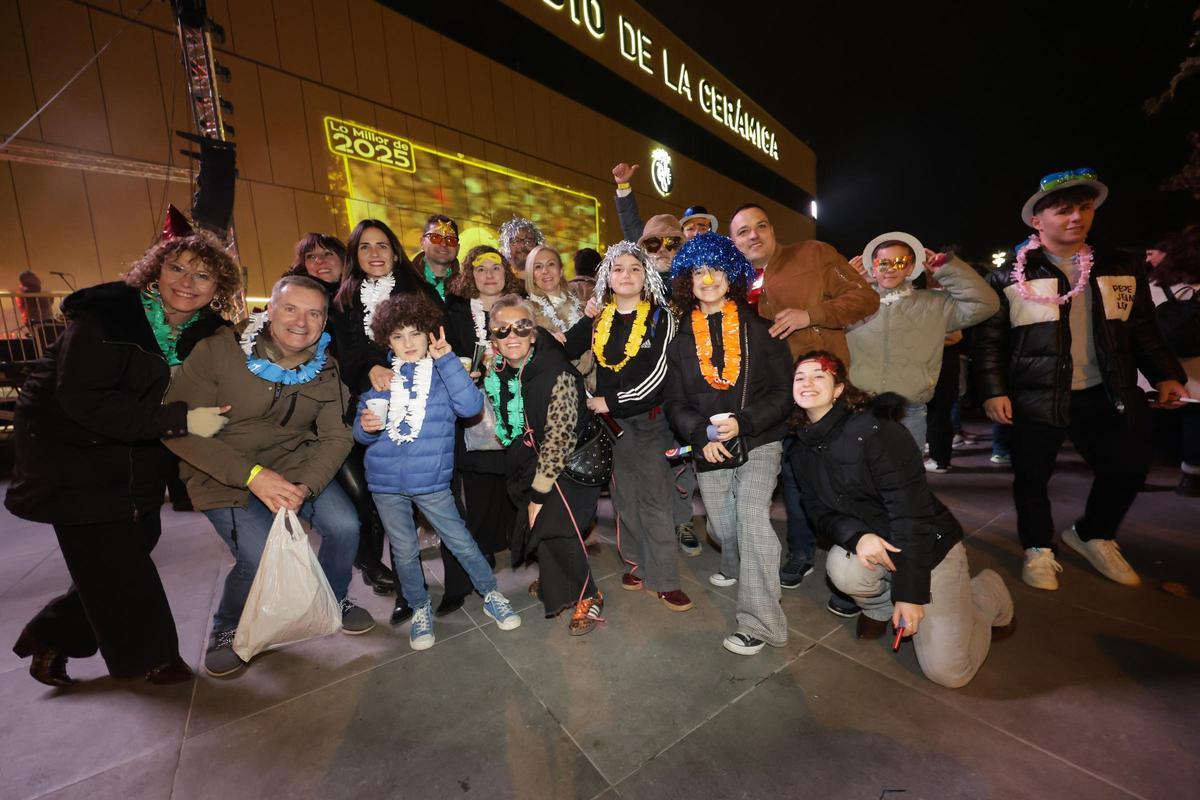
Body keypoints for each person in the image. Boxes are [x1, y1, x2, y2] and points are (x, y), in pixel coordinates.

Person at [7, 229, 241, 686]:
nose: (187, 282)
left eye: (203, 275)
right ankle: (154, 658)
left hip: (135, 453)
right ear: (156, 270)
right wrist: (183, 419)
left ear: (219, 288)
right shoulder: (107, 316)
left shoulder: (205, 333)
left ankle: (48, 634)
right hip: (70, 454)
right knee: (116, 558)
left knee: (129, 546)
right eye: (178, 268)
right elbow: (82, 400)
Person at [974, 169, 1188, 590]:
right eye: (1063, 210)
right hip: (1036, 394)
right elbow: (989, 343)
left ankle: (1093, 533)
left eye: (1084, 208)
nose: (1076, 217)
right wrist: (994, 390)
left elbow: (1142, 328)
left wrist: (1165, 375)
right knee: (1032, 477)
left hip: (1104, 391)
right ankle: (1037, 547)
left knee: (1127, 468)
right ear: (1037, 220)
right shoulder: (1010, 275)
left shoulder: (1119, 265)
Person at [165, 276, 374, 677]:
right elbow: (180, 429)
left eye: (314, 313)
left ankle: (334, 596)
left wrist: (306, 486)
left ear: (325, 320)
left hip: (296, 466)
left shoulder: (326, 369)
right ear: (270, 310)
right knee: (258, 554)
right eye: (291, 308)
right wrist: (253, 476)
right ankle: (228, 626)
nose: (302, 321)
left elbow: (334, 436)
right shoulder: (218, 352)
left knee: (345, 526)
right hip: (223, 471)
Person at [790, 352, 1015, 688]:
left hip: (928, 546)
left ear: (838, 389)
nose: (807, 383)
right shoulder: (800, 446)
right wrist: (857, 537)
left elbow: (911, 516)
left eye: (818, 376)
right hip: (878, 541)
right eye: (799, 377)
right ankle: (880, 608)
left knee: (949, 673)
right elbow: (817, 511)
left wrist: (910, 596)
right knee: (843, 569)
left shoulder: (877, 432)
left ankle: (985, 594)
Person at [729, 202, 879, 599]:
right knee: (795, 480)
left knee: (842, 477)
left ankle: (856, 566)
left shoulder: (812, 254)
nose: (753, 235)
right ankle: (801, 552)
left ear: (772, 230)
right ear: (733, 240)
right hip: (775, 398)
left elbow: (865, 299)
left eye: (760, 226)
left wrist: (811, 314)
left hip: (821, 391)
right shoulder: (732, 280)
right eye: (743, 230)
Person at [354, 294, 520, 650]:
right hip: (384, 484)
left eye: (415, 333)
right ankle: (419, 607)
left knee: (460, 540)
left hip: (430, 481)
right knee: (403, 552)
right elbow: (359, 431)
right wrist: (365, 427)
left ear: (429, 334)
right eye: (398, 337)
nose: (408, 343)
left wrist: (446, 362)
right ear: (387, 341)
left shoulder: (444, 374)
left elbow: (471, 406)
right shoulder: (381, 379)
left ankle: (490, 593)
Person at [664, 233, 793, 656]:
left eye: (715, 269)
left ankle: (760, 622)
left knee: (753, 517)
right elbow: (675, 402)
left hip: (760, 440)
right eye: (698, 271)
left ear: (731, 274)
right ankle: (732, 561)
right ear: (688, 280)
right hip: (709, 446)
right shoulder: (679, 336)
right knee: (721, 526)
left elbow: (782, 392)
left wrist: (744, 422)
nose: (707, 279)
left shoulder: (761, 328)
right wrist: (701, 435)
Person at [563, 241, 693, 612]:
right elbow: (566, 347)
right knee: (624, 501)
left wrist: (612, 400)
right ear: (607, 276)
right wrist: (586, 317)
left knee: (656, 501)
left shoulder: (661, 317)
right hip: (610, 427)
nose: (626, 275)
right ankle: (637, 565)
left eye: (635, 268)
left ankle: (665, 580)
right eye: (618, 269)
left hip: (650, 424)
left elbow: (659, 377)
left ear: (646, 275)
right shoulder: (599, 317)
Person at [330, 219, 440, 608]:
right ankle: (406, 593)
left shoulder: (420, 291)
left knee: (421, 503)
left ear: (395, 251)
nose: (375, 254)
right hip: (371, 406)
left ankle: (435, 587)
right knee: (384, 499)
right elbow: (346, 352)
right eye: (365, 247)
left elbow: (439, 340)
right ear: (355, 256)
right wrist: (367, 370)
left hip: (421, 405)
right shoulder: (342, 300)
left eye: (382, 246)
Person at [489, 295, 605, 635]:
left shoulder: (556, 371)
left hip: (571, 462)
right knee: (538, 528)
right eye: (502, 330)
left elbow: (558, 441)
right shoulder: (500, 370)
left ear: (535, 332)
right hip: (530, 460)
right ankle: (558, 583)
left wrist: (539, 497)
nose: (512, 335)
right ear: (492, 338)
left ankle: (589, 594)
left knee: (554, 525)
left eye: (522, 327)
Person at [846, 231, 999, 462]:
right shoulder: (853, 304)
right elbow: (818, 316)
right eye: (882, 262)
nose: (890, 268)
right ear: (872, 267)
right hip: (859, 410)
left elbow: (985, 304)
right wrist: (846, 282)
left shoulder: (934, 303)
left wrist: (948, 270)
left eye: (899, 262)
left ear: (910, 268)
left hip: (910, 411)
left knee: (906, 482)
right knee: (857, 478)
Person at [439, 245, 523, 616]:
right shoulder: (455, 312)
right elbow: (440, 354)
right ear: (468, 276)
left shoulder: (522, 308)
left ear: (506, 272)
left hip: (516, 406)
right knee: (477, 487)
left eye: (496, 267)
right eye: (480, 269)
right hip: (472, 410)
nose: (489, 275)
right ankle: (480, 551)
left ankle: (514, 543)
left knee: (515, 480)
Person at [635, 214, 703, 555]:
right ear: (642, 248)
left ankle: (682, 520)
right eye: (653, 243)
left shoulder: (695, 284)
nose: (663, 249)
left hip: (685, 391)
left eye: (673, 242)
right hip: (641, 395)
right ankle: (655, 525)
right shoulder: (631, 283)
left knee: (684, 461)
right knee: (649, 464)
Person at [1144, 227, 1200, 496]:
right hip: (1196, 364)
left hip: (1158, 361)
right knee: (1195, 418)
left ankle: (1137, 471)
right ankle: (1191, 477)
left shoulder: (1155, 284)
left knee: (1151, 417)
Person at [525, 245, 595, 380]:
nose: (545, 271)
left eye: (551, 264)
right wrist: (543, 338)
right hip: (556, 388)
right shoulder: (527, 311)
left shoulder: (583, 301)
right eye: (538, 267)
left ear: (561, 270)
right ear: (532, 275)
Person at [611, 161, 717, 242]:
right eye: (690, 229)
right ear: (681, 234)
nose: (696, 233)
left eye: (703, 228)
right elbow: (633, 230)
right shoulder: (669, 256)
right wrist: (623, 185)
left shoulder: (723, 263)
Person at [413, 213, 460, 308]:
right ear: (422, 242)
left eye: (450, 240)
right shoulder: (404, 281)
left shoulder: (467, 286)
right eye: (435, 238)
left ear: (458, 248)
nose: (443, 244)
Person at [498, 216, 544, 282]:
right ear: (505, 247)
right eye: (515, 241)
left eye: (528, 241)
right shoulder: (497, 282)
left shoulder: (547, 281)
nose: (522, 246)